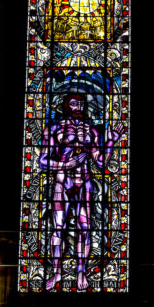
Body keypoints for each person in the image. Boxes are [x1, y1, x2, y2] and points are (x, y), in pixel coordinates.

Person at [39, 93, 124, 290]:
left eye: (81, 104)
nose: (78, 108)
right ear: (66, 106)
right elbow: (42, 161)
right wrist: (65, 163)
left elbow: (101, 160)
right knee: (57, 228)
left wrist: (111, 141)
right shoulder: (54, 129)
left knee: (84, 228)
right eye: (74, 104)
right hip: (62, 180)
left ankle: (80, 271)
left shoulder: (91, 131)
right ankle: (57, 272)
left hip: (84, 181)